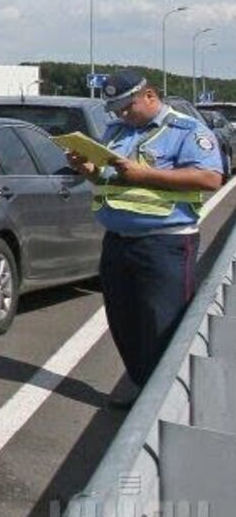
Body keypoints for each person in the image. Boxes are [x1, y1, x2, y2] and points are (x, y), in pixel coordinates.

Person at [65, 71, 226, 408]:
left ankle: (164, 403)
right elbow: (111, 182)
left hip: (165, 242)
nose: (122, 115)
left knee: (162, 323)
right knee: (124, 321)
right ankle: (142, 389)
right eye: (116, 110)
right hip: (119, 239)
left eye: (127, 107)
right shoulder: (117, 131)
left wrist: (145, 174)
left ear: (150, 96)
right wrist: (88, 170)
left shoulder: (186, 130)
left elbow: (210, 178)